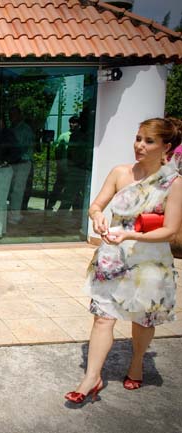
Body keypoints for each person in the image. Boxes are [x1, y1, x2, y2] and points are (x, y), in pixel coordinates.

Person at [65, 117, 182, 405]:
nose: (139, 145)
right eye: (138, 138)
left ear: (166, 146)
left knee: (143, 319)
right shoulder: (120, 172)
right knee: (103, 317)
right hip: (112, 257)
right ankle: (92, 377)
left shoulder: (174, 183)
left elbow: (170, 230)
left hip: (149, 262)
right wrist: (98, 217)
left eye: (149, 141)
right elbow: (96, 206)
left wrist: (131, 236)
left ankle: (138, 362)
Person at [8, 107, 34, 224]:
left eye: (13, 114)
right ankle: (13, 214)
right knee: (12, 190)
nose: (11, 117)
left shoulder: (25, 129)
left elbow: (22, 147)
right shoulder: (11, 129)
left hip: (22, 162)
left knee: (18, 190)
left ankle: (15, 215)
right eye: (10, 114)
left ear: (19, 115)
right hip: (13, 162)